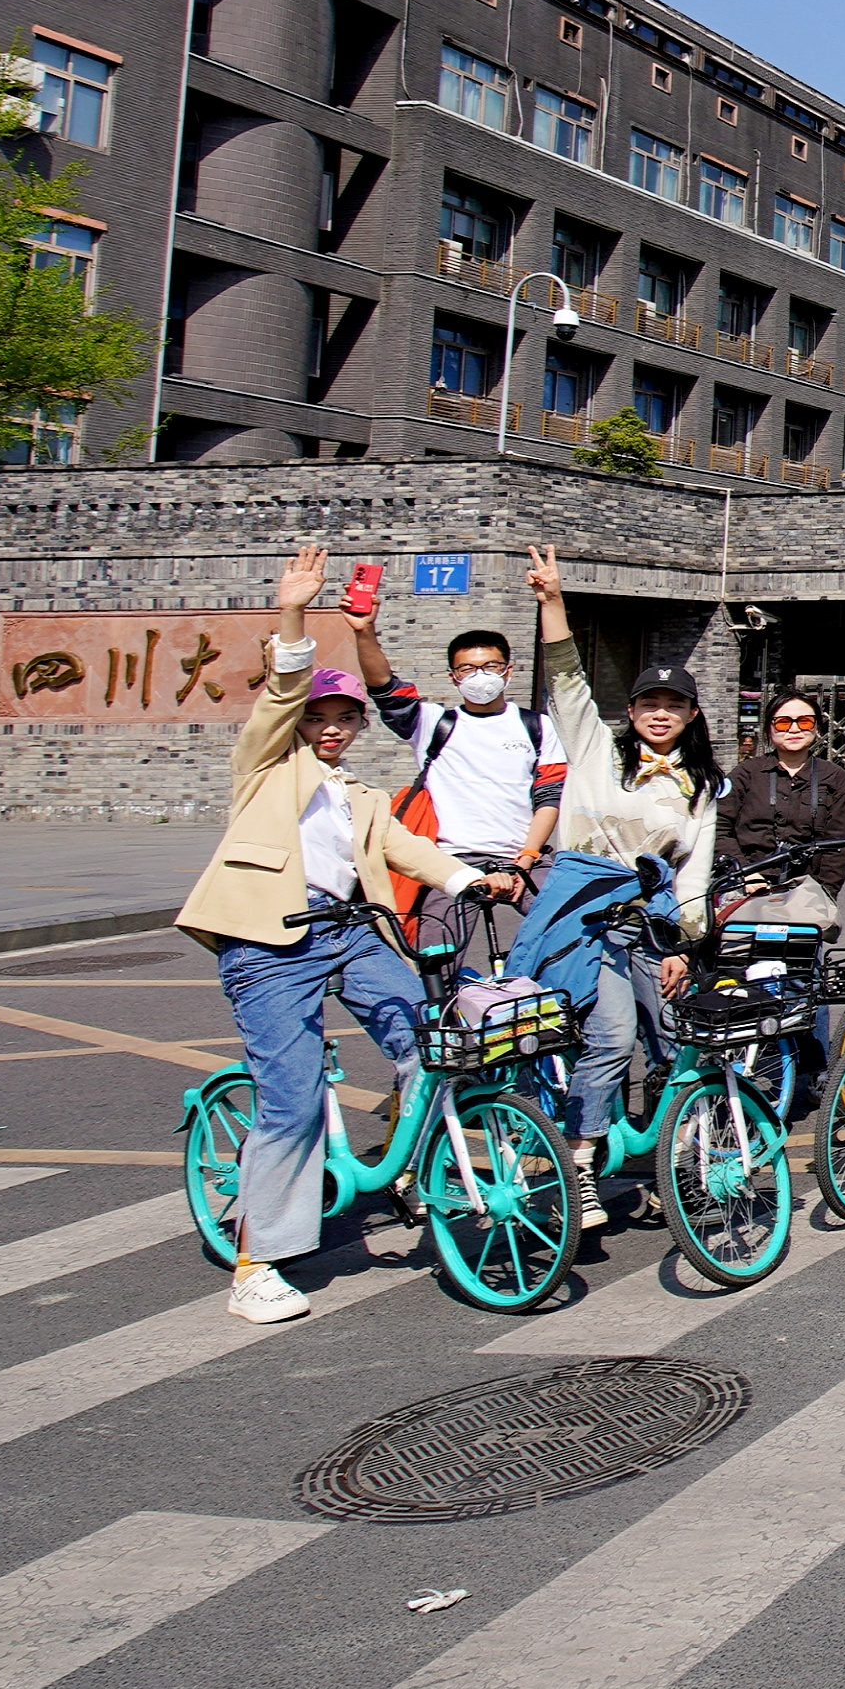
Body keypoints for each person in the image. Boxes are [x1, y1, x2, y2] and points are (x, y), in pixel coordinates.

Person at [176, 547, 514, 1323]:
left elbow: (405, 847)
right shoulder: (266, 767)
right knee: (290, 1099)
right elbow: (283, 688)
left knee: (429, 1041)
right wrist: (295, 612)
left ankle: (417, 1169)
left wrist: (470, 879)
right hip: (268, 941)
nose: (330, 729)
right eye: (317, 718)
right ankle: (257, 1260)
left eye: (343, 718)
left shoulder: (359, 793)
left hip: (349, 932)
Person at [501, 547, 723, 1227]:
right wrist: (552, 603)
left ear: (690, 714)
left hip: (649, 918)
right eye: (649, 702)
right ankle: (581, 1158)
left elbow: (694, 870)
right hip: (586, 912)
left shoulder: (699, 784)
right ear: (631, 710)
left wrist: (684, 940)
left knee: (674, 1037)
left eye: (673, 705)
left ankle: (669, 1166)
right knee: (609, 1032)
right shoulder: (597, 751)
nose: (660, 714)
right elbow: (567, 678)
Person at [363, 616, 562, 947]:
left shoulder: (538, 726)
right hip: (451, 861)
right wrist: (364, 632)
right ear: (453, 677)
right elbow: (384, 687)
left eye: (491, 666)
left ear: (508, 671)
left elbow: (549, 797)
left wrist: (525, 859)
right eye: (468, 669)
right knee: (435, 956)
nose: (480, 676)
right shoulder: (431, 723)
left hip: (523, 858)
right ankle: (443, 1000)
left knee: (569, 931)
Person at [718, 686, 845, 925]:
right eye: (783, 722)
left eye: (804, 721)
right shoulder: (745, 774)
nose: (794, 729)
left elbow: (839, 844)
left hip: (805, 895)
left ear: (817, 726)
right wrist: (746, 873)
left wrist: (823, 894)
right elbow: (719, 829)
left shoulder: (833, 777)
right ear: (769, 728)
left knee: (798, 958)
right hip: (747, 890)